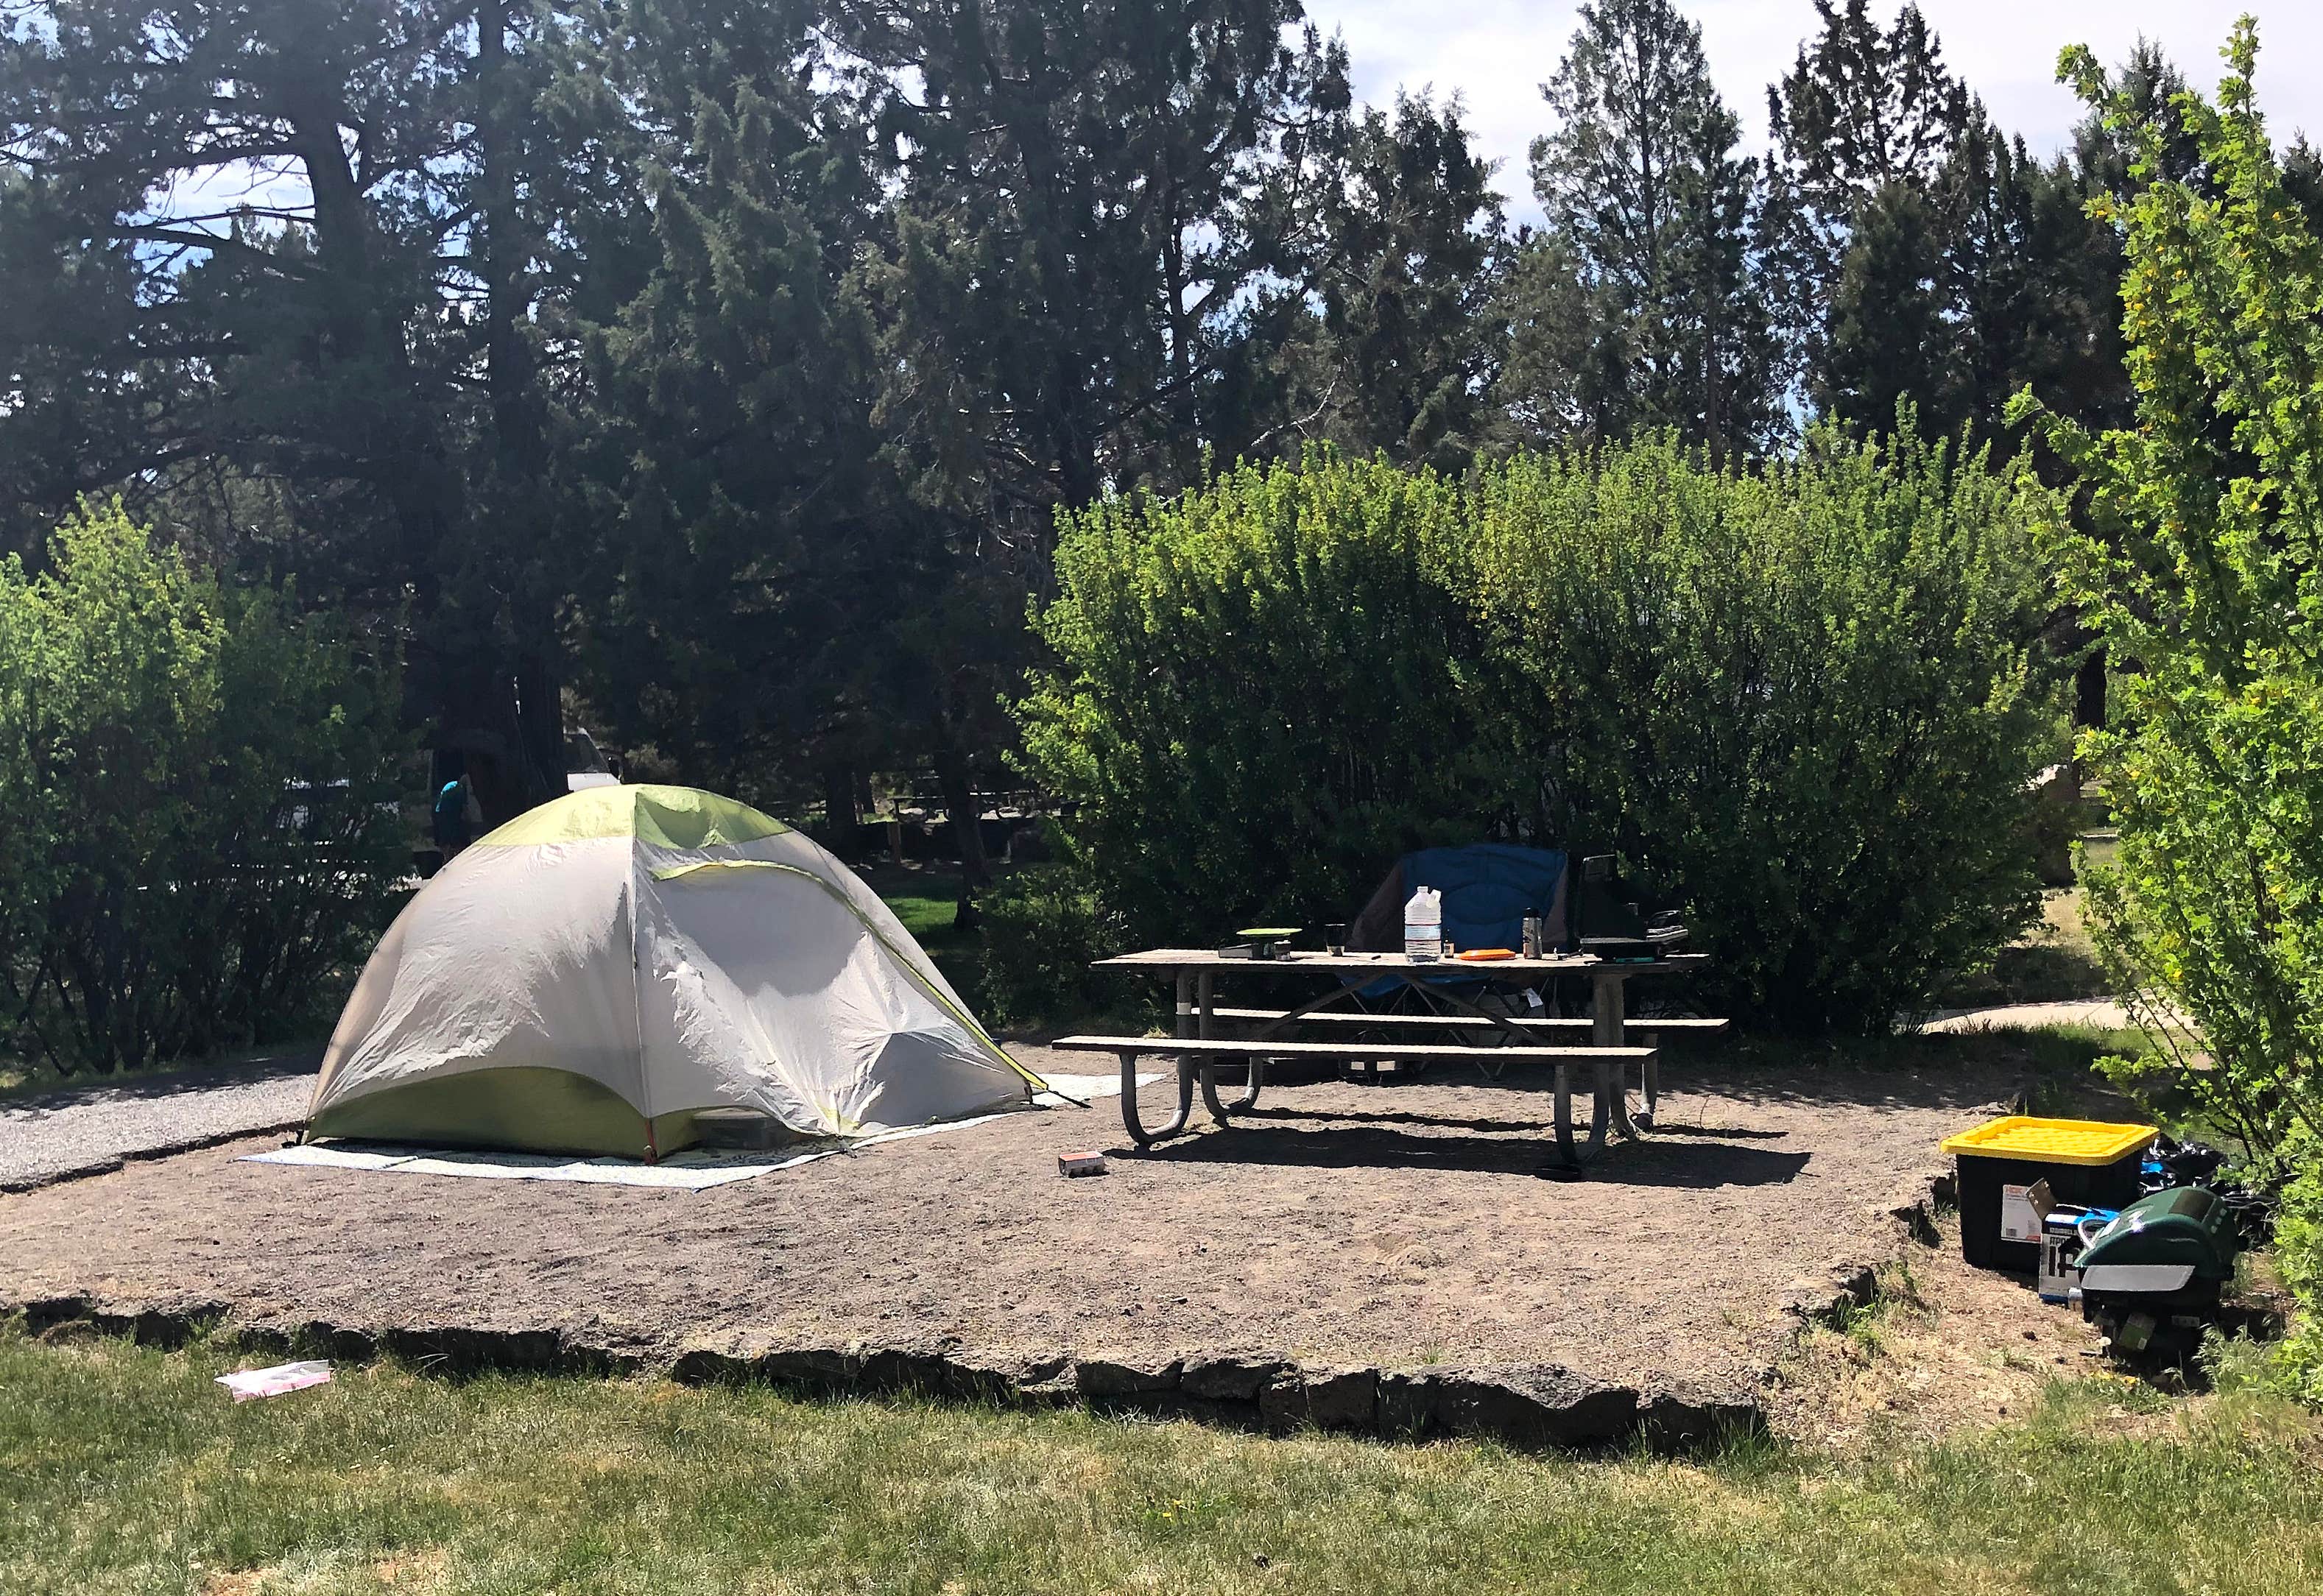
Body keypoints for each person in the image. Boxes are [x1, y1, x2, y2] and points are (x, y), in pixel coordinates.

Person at [432, 774, 473, 861]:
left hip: (440, 813)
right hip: (450, 815)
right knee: (456, 838)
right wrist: (468, 819)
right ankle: (454, 857)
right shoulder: (460, 789)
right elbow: (464, 807)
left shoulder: (451, 785)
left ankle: (447, 858)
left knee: (446, 839)